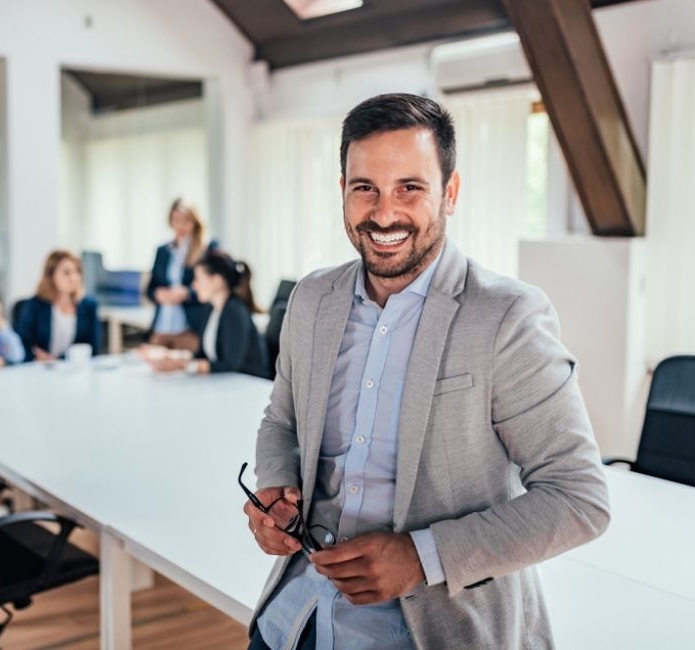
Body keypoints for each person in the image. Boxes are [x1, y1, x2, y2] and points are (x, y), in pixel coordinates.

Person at [244, 93, 610, 650]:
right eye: (365, 187)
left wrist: (422, 557)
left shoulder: (506, 316)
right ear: (342, 190)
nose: (384, 213)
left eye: (409, 188)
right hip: (294, 621)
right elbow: (282, 419)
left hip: (436, 631)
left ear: (451, 193)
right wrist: (274, 491)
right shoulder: (313, 298)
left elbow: (579, 498)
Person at [150, 250, 269, 379]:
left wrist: (184, 366)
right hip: (226, 383)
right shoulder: (210, 310)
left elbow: (231, 364)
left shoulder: (234, 312)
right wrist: (170, 356)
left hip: (248, 384)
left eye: (198, 279)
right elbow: (203, 354)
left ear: (217, 281)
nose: (194, 286)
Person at [145, 198, 214, 352]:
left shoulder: (206, 249)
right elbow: (150, 289)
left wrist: (186, 293)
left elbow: (214, 287)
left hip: (189, 329)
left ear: (195, 222)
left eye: (186, 220)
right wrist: (158, 294)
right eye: (177, 220)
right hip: (162, 327)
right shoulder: (163, 251)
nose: (181, 226)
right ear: (170, 221)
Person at [14, 250, 102, 361]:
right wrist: (36, 358)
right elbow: (20, 344)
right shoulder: (35, 305)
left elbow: (93, 349)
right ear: (51, 276)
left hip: (73, 370)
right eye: (67, 273)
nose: (74, 278)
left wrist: (56, 359)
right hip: (39, 369)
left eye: (77, 272)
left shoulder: (89, 306)